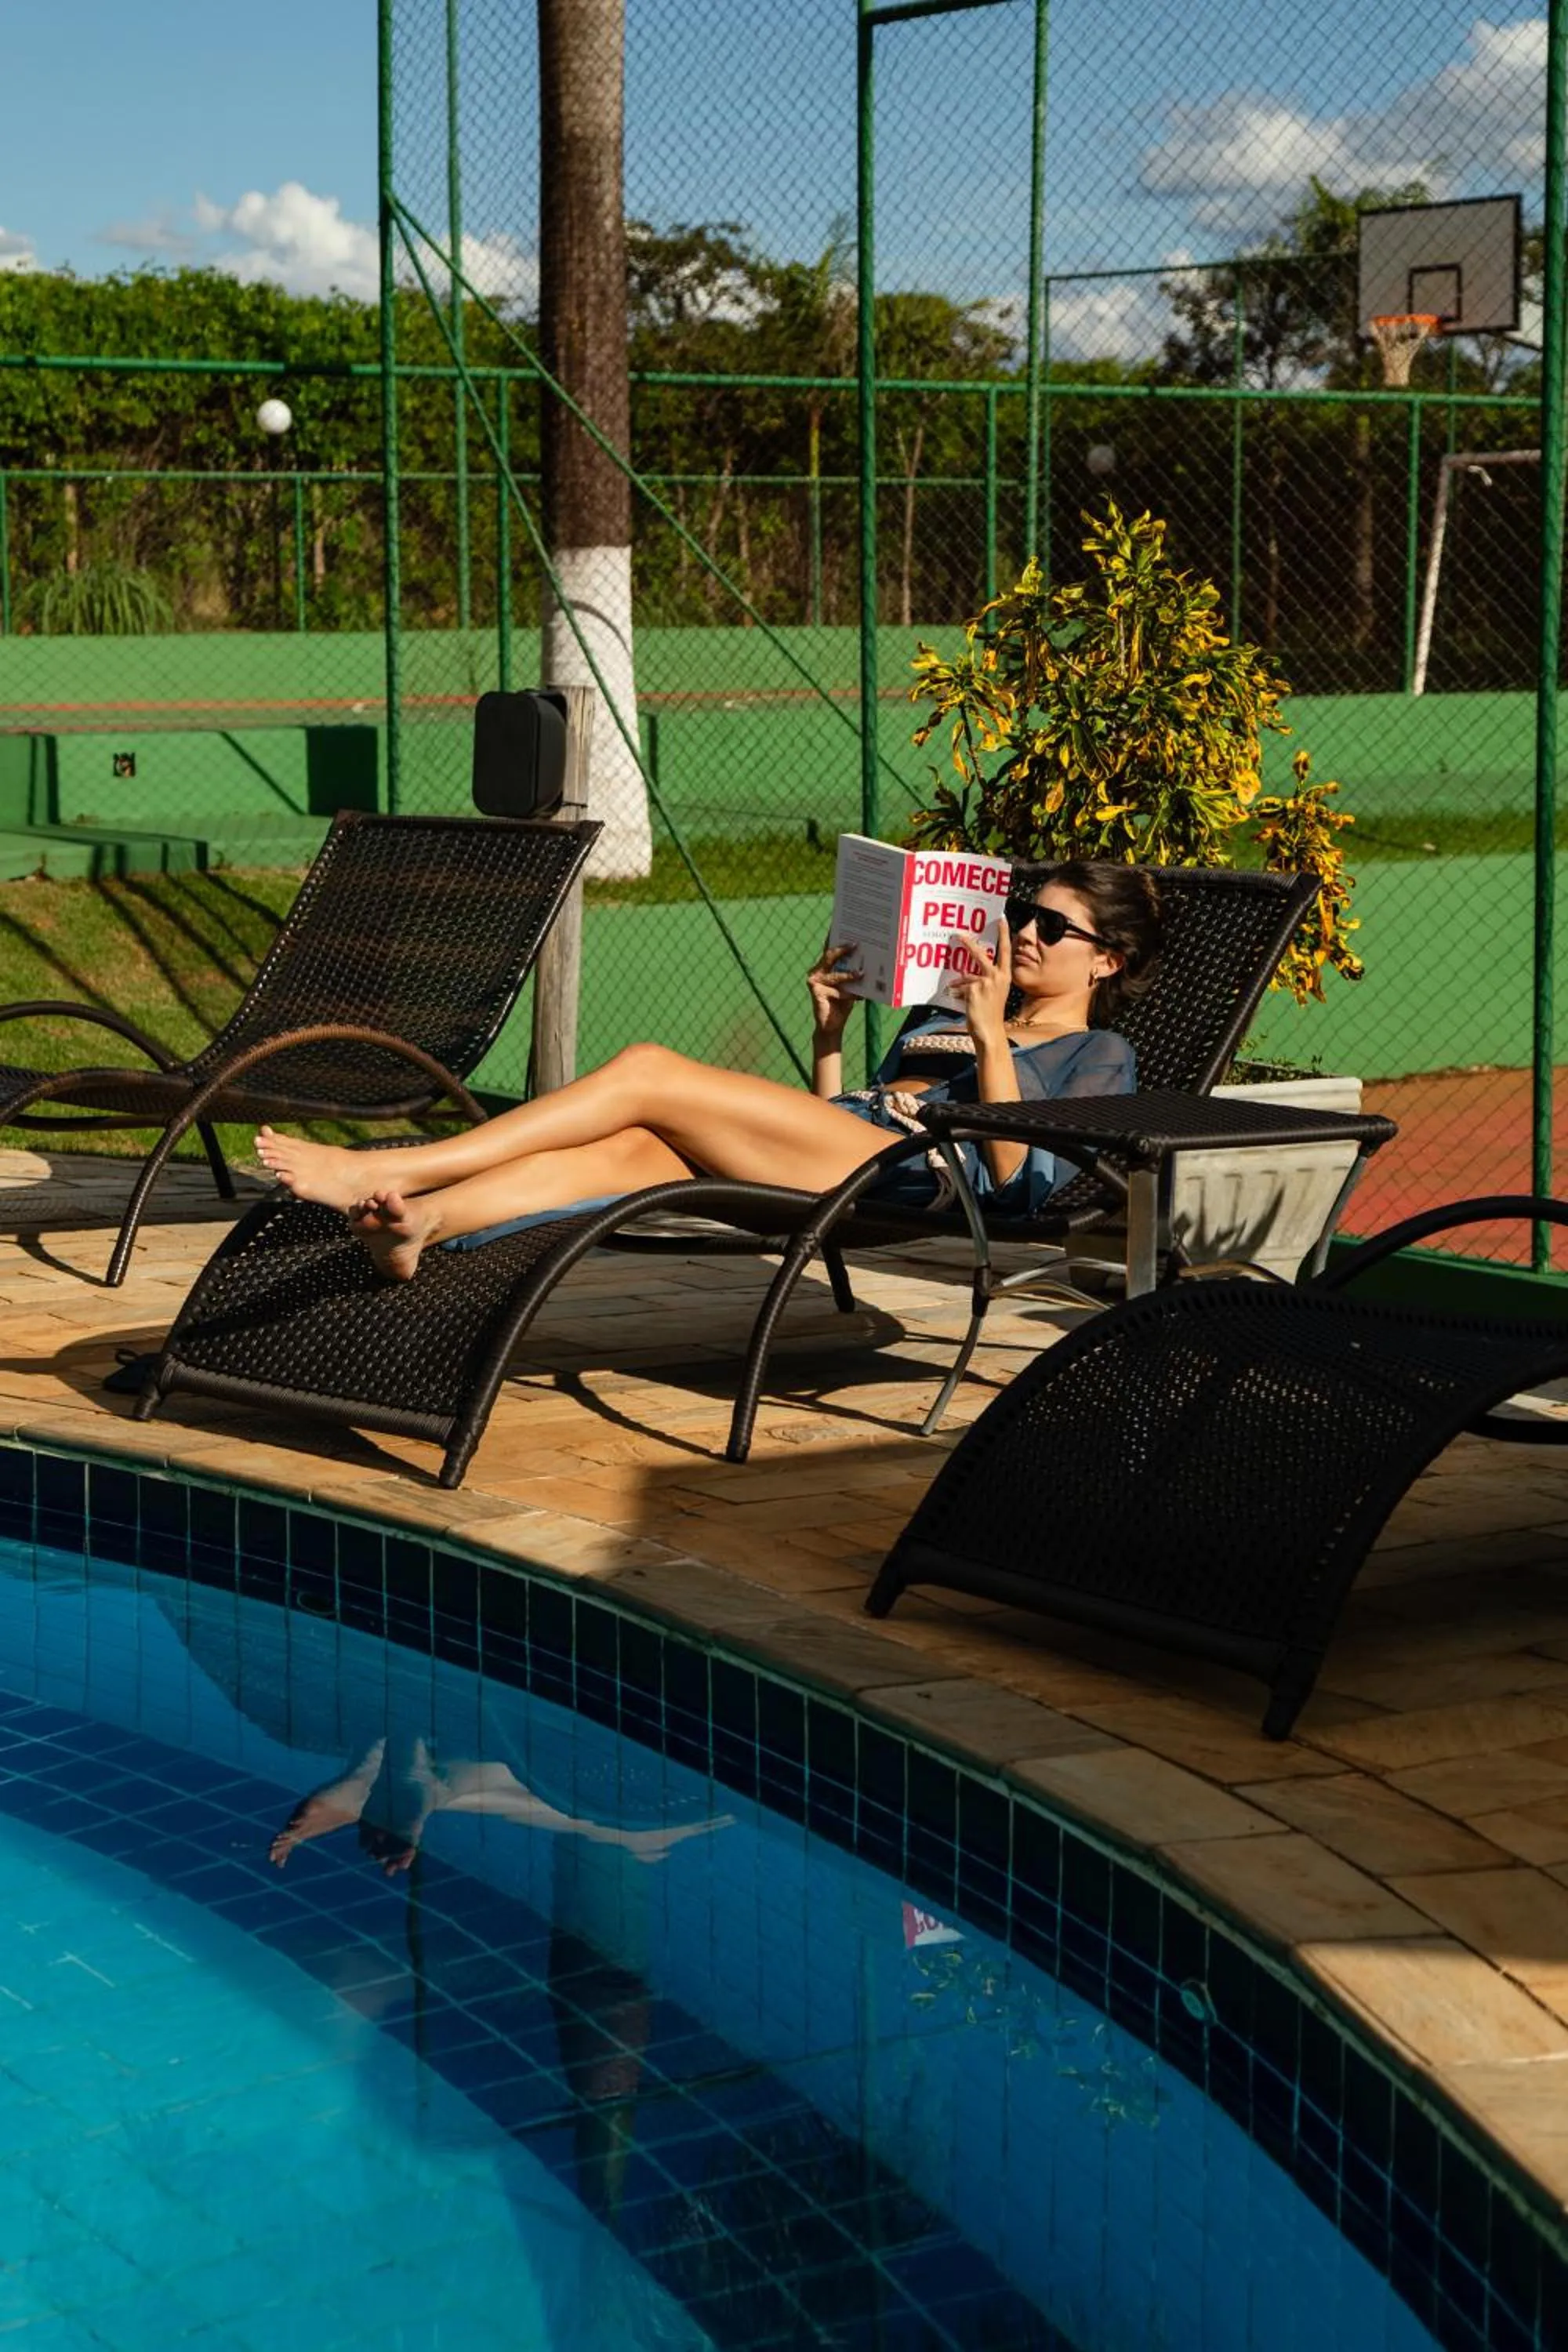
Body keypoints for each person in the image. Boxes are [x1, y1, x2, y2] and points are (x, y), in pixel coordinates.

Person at [254, 860, 1163, 1281]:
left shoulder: (1100, 1055)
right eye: (1021, 914)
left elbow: (1018, 1184)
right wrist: (828, 1034)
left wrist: (995, 1039)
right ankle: (423, 1223)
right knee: (635, 1146)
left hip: (927, 1176)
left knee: (648, 1068)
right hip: (854, 1146)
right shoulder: (946, 1011)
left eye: (1052, 928)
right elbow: (833, 1120)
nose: (1025, 934)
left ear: (1107, 961)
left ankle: (398, 1166)